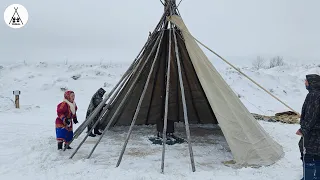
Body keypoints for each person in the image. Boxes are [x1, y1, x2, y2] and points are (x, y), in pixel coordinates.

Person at [296, 74, 320, 180]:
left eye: (306, 81)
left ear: (312, 82)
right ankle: (317, 176)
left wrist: (303, 129)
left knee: (307, 151)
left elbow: (311, 114)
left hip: (313, 131)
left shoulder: (313, 95)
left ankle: (309, 177)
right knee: (317, 152)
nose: (305, 82)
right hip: (317, 130)